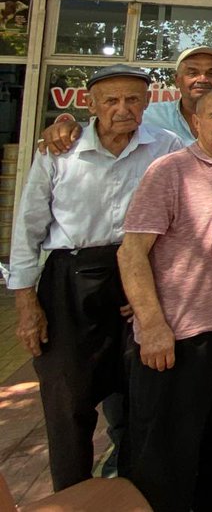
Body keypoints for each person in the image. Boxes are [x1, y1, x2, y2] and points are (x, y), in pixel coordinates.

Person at [9, 65, 182, 491]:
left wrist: (153, 288)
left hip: (136, 275)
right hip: (70, 278)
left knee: (140, 393)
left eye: (133, 100)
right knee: (68, 398)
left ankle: (134, 489)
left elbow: (181, 223)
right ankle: (73, 495)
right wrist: (26, 301)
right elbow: (29, 226)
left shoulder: (166, 147)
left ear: (147, 103)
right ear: (91, 105)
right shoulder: (58, 150)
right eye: (111, 100)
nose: (123, 109)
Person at [118, 88, 212, 512]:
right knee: (169, 447)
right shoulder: (170, 171)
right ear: (197, 123)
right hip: (182, 335)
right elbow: (131, 252)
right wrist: (151, 326)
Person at [39, 46, 212, 162]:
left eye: (211, 73)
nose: (203, 79)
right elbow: (108, 125)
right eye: (193, 72)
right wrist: (69, 128)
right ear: (177, 80)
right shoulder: (150, 116)